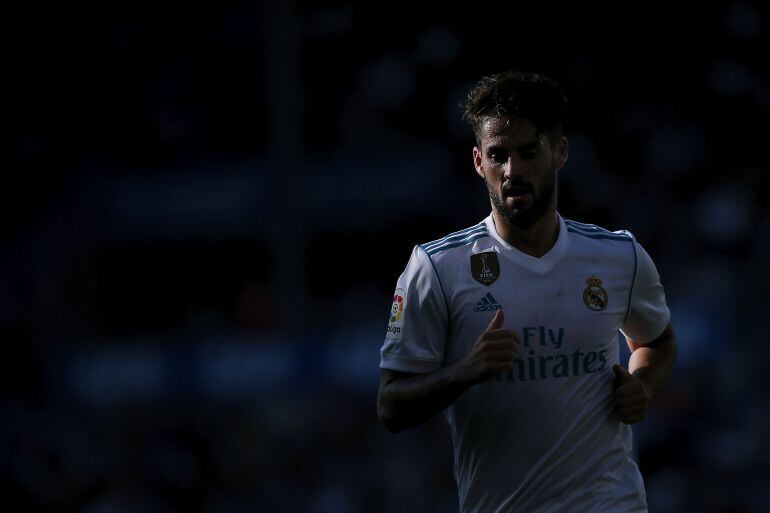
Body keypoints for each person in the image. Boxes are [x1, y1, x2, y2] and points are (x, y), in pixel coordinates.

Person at [377, 71, 677, 513]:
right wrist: (465, 371)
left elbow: (657, 340)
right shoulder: (437, 268)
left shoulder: (619, 257)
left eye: (528, 152)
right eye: (498, 155)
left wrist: (644, 386)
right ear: (479, 162)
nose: (512, 170)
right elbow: (390, 406)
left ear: (559, 152)